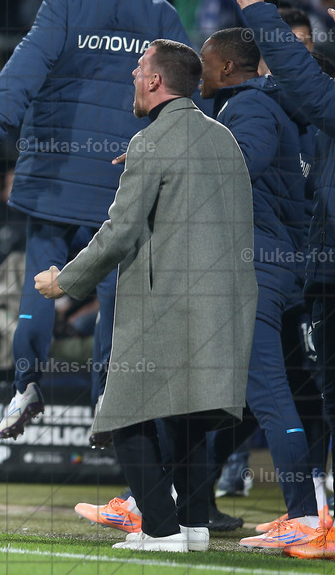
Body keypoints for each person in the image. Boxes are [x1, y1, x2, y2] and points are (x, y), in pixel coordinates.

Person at [0, 0, 193, 440]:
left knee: (41, 281)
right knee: (117, 290)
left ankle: (25, 386)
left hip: (55, 177)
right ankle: (108, 395)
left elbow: (23, 71)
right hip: (125, 181)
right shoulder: (159, 12)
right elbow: (186, 92)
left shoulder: (63, 3)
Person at [35, 39, 256, 552]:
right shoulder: (224, 138)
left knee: (123, 414)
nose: (133, 78)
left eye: (139, 70)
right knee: (186, 417)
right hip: (225, 303)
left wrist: (64, 281)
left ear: (156, 81)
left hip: (167, 305)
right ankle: (195, 527)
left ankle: (159, 528)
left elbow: (118, 232)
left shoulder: (150, 142)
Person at [197, 27, 321, 547]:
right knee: (276, 398)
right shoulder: (269, 106)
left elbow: (238, 165)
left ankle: (305, 517)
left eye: (205, 63)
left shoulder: (247, 108)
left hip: (256, 270)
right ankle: (193, 495)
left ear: (228, 69)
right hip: (281, 267)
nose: (200, 72)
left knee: (267, 395)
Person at [239, 0, 335, 559]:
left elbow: (306, 88)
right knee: (320, 396)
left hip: (305, 266)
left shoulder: (294, 103)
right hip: (317, 271)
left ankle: (312, 515)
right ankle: (317, 517)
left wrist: (259, 16)